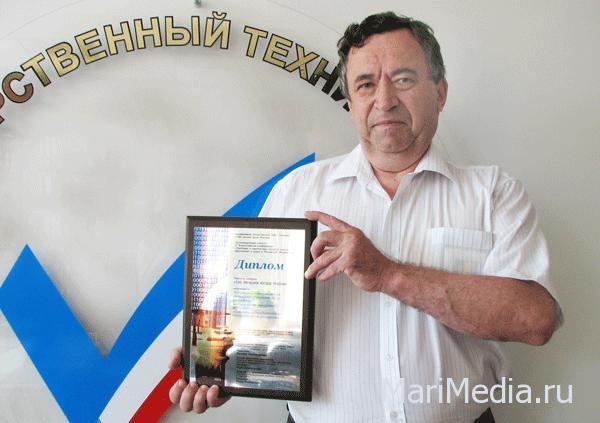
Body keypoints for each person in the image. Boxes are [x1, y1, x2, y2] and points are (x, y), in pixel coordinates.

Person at [169, 11, 562, 422]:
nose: (385, 100)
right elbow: (245, 318)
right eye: (366, 84)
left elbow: (535, 321)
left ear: (440, 93)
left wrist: (388, 274)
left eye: (404, 79)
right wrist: (218, 366)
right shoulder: (296, 192)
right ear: (352, 102)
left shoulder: (494, 193)